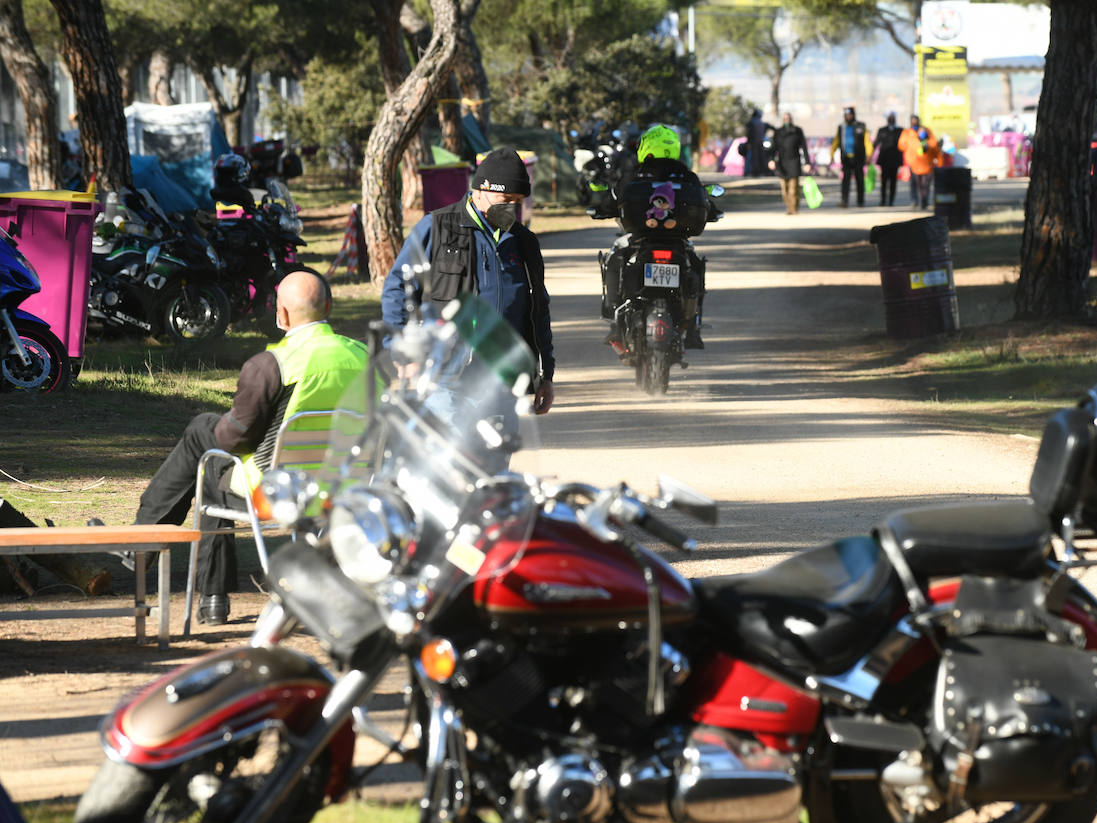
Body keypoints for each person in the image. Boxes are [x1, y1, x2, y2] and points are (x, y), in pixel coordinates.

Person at [97, 270, 368, 625]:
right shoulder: (365, 355)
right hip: (344, 487)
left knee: (209, 453)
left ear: (281, 314)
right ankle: (173, 569)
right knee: (209, 447)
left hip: (276, 491)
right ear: (329, 306)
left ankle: (200, 588)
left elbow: (233, 440)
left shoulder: (273, 364)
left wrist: (226, 420)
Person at [380, 146, 556, 415]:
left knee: (496, 454)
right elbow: (398, 288)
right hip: (445, 374)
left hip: (503, 377)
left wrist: (547, 376)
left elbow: (538, 309)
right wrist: (402, 352)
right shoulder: (437, 228)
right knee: (450, 453)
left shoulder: (524, 241)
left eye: (517, 201)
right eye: (505, 197)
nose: (511, 206)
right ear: (481, 188)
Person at [594, 124, 715, 349]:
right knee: (696, 264)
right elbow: (706, 203)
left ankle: (614, 319)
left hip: (641, 238)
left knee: (614, 257)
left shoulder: (635, 175)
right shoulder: (687, 176)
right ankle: (693, 328)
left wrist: (601, 208)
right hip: (678, 241)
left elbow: (612, 199)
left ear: (646, 147)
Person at [770, 112, 811, 214]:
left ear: (791, 119)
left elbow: (804, 147)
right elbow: (773, 148)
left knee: (793, 188)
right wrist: (771, 160)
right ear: (783, 120)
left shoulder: (797, 131)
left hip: (794, 161)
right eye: (785, 118)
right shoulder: (778, 132)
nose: (787, 120)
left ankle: (794, 208)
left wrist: (807, 162)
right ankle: (789, 208)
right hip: (782, 163)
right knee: (784, 189)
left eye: (788, 118)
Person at [831, 106, 871, 208]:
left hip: (858, 158)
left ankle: (860, 201)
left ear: (853, 115)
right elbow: (836, 142)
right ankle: (844, 201)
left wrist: (869, 155)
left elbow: (867, 142)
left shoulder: (861, 126)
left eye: (850, 115)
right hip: (846, 158)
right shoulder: (841, 127)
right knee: (846, 181)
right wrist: (831, 154)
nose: (848, 116)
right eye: (846, 115)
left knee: (860, 180)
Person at [898, 115, 938, 209]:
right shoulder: (907, 133)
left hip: (926, 162)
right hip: (913, 162)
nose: (914, 123)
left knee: (925, 183)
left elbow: (934, 144)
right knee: (914, 182)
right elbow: (901, 146)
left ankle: (924, 200)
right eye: (913, 122)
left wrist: (926, 141)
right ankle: (914, 200)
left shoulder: (926, 131)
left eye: (916, 121)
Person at [873, 112, 904, 207]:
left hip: (894, 160)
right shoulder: (882, 130)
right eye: (889, 117)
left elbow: (904, 144)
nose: (891, 119)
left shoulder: (900, 130)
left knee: (893, 182)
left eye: (892, 117)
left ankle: (891, 201)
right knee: (884, 181)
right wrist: (869, 155)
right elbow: (876, 143)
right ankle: (883, 200)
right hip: (884, 160)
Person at [746, 109, 771, 176]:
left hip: (756, 143)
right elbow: (750, 134)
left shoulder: (753, 123)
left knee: (755, 158)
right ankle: (757, 172)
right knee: (758, 158)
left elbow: (749, 134)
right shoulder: (759, 123)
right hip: (758, 143)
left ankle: (756, 172)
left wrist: (749, 142)